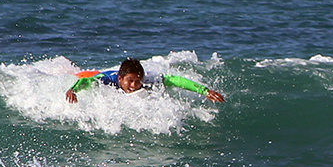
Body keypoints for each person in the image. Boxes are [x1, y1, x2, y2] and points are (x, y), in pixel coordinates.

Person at [65, 58, 225, 103]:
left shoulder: (147, 80)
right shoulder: (108, 80)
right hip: (96, 74)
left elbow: (175, 80)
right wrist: (73, 89)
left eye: (137, 81)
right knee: (81, 75)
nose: (135, 85)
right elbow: (89, 81)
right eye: (130, 81)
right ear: (121, 79)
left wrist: (204, 91)